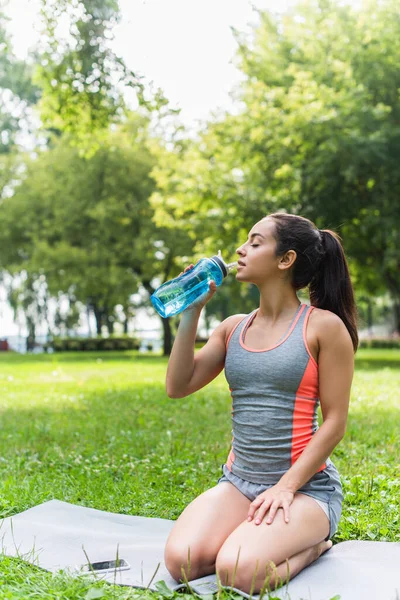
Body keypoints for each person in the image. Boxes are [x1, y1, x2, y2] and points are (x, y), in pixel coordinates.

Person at [164, 213, 357, 595]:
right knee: (181, 563)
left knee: (236, 572)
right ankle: (253, 535)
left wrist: (285, 488)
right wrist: (192, 310)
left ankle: (316, 546)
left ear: (285, 259)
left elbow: (335, 422)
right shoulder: (233, 327)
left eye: (255, 242)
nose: (241, 249)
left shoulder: (323, 327)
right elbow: (177, 385)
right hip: (238, 482)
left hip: (305, 489)